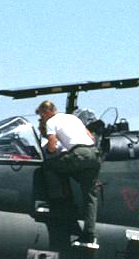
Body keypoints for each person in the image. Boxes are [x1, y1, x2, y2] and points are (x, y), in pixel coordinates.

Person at [35, 100, 101, 249]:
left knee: (49, 166)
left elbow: (51, 145)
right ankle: (89, 233)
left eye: (41, 115)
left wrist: (52, 152)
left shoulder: (51, 121)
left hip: (78, 154)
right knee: (90, 196)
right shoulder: (73, 118)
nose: (42, 120)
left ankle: (60, 201)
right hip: (94, 155)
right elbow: (91, 137)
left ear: (46, 112)